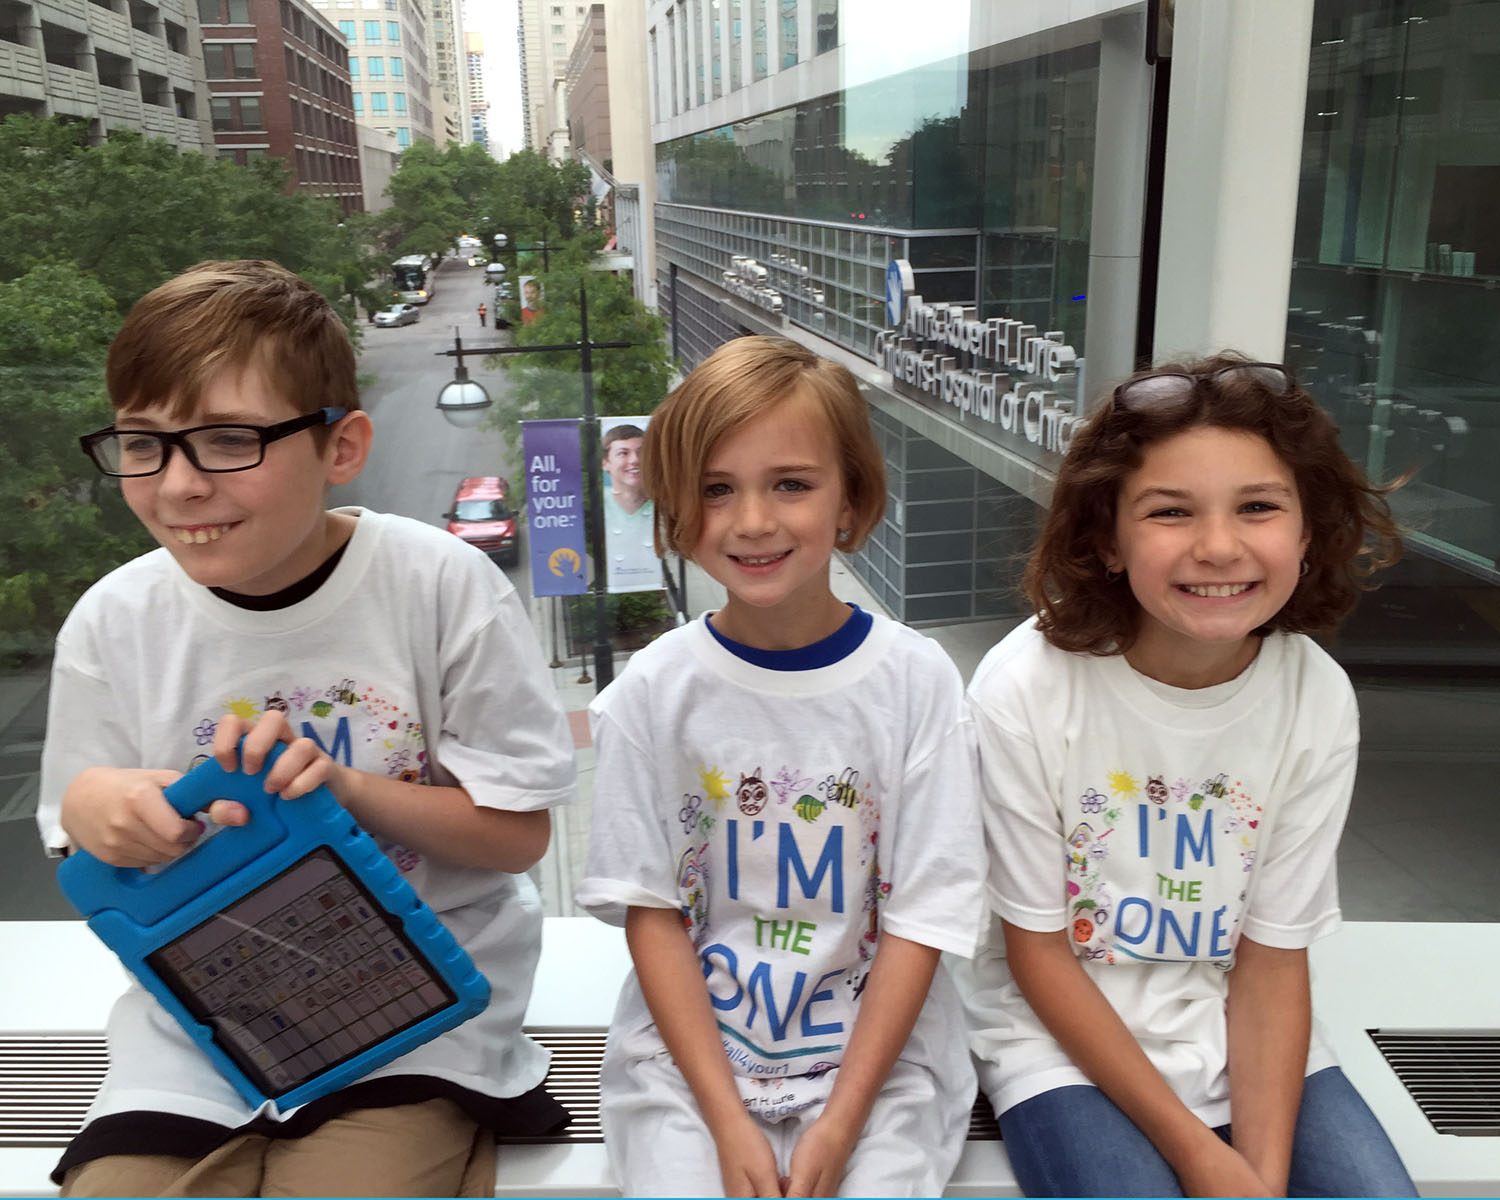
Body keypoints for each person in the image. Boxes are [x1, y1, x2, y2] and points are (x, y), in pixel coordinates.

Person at [38, 260, 577, 1198]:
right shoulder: (114, 622)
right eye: (144, 444)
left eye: (227, 440)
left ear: (342, 445)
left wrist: (346, 787)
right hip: (202, 1010)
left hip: (415, 1003)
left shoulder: (437, 585)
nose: (179, 485)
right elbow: (83, 840)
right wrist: (96, 808)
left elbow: (518, 833)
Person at [955, 355, 1415, 1197]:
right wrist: (1203, 1159)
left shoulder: (1314, 696)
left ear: (1308, 531)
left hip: (1235, 1023)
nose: (1218, 547)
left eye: (1258, 507)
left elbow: (1271, 962)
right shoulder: (1024, 688)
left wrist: (1260, 1177)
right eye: (1170, 511)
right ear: (1107, 538)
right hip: (1057, 1040)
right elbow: (1038, 955)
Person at [576, 335, 985, 1198]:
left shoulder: (916, 683)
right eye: (715, 489)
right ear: (676, 508)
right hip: (688, 1064)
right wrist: (729, 1122)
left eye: (791, 484)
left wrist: (840, 1123)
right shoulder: (651, 692)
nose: (753, 521)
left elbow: (921, 919)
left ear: (850, 499)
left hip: (882, 1062)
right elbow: (652, 915)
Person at [600, 422, 658, 592]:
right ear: (606, 463)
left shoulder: (665, 505)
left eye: (641, 452)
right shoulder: (597, 507)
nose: (634, 460)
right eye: (623, 453)